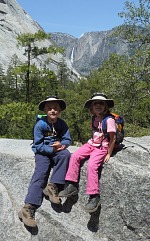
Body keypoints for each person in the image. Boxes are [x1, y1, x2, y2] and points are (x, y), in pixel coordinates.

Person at [18, 96, 72, 227]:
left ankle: (52, 186)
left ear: (59, 110)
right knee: (41, 174)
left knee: (65, 155)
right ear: (45, 110)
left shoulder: (61, 124)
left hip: (56, 150)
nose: (53, 110)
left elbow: (67, 139)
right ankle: (28, 207)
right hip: (42, 152)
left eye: (55, 108)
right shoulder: (40, 125)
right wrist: (50, 150)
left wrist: (62, 145)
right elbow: (37, 145)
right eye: (49, 108)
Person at [59, 93, 116, 213]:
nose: (98, 106)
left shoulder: (109, 120)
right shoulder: (95, 118)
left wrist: (109, 153)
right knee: (74, 156)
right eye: (96, 104)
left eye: (101, 103)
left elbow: (113, 137)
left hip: (102, 147)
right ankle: (72, 185)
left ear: (106, 106)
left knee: (92, 165)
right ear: (92, 107)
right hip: (92, 144)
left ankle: (94, 196)